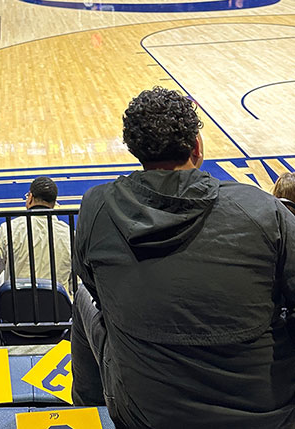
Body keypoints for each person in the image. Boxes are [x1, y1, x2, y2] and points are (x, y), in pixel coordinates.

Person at [72, 87, 295, 429]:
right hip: (269, 414)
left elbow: (96, 289)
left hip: (145, 415)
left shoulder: (96, 207)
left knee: (84, 298)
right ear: (197, 147)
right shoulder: (263, 209)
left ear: (135, 150)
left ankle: (86, 409)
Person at [0, 176, 72, 292]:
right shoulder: (69, 234)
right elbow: (75, 283)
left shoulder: (9, 228)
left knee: (2, 279)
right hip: (56, 306)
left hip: (15, 306)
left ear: (30, 197)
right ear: (54, 203)